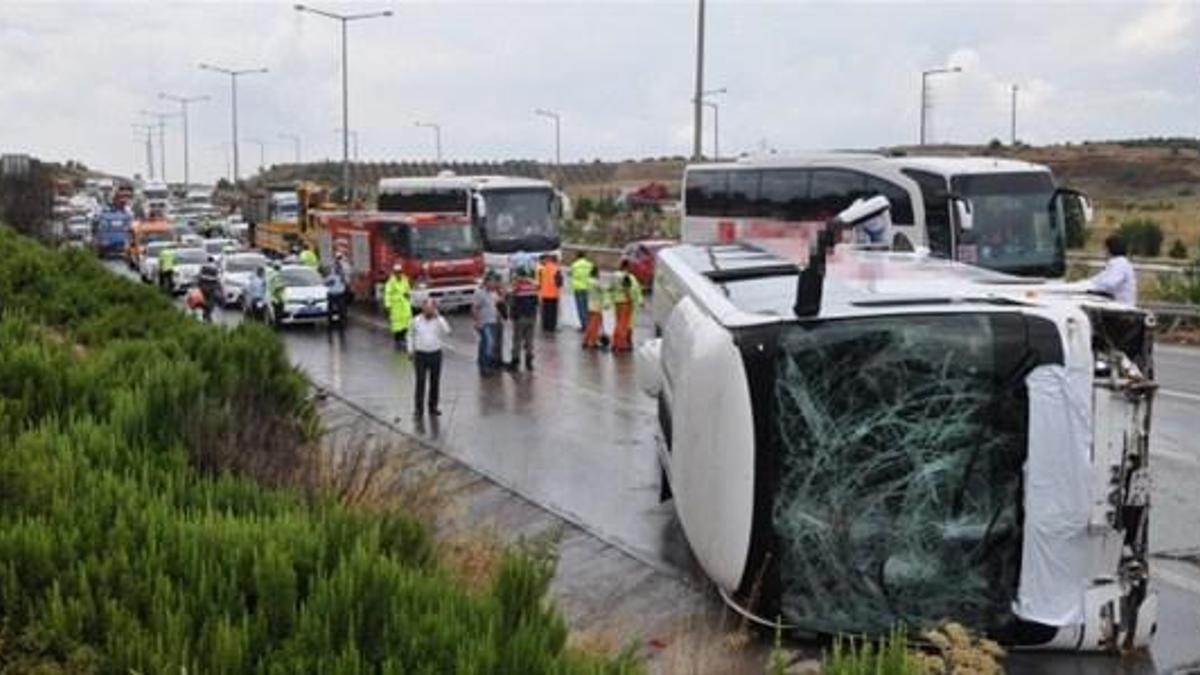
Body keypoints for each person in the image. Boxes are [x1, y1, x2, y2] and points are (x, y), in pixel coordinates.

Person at [409, 299, 450, 417]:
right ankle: (418, 409)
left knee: (434, 382)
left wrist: (439, 318)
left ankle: (433, 407)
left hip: (435, 354)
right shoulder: (415, 321)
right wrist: (410, 350)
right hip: (420, 354)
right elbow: (410, 335)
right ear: (423, 309)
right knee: (420, 382)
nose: (428, 311)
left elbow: (447, 331)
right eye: (426, 308)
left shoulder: (438, 320)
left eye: (431, 308)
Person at [507, 264, 539, 371]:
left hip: (520, 317)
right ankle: (529, 362)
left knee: (517, 340)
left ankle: (515, 362)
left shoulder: (518, 286)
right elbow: (536, 302)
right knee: (529, 340)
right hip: (532, 317)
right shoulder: (533, 286)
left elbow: (510, 300)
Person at [1089, 234, 1137, 305]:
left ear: (1109, 249)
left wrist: (1089, 288)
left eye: (1104, 248)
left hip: (1122, 309)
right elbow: (1095, 281)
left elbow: (1109, 284)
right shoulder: (1116, 264)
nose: (1103, 252)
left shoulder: (1120, 264)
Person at [611, 259, 644, 352]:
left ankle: (615, 343)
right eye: (630, 266)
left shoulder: (614, 276)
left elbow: (611, 289)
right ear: (626, 266)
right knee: (625, 324)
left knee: (618, 323)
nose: (631, 268)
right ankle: (622, 344)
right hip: (627, 302)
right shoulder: (629, 277)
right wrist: (637, 300)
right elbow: (634, 289)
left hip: (617, 302)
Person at [472, 272, 502, 374]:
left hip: (493, 321)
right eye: (491, 282)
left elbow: (495, 306)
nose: (494, 284)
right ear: (486, 282)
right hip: (485, 323)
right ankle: (485, 366)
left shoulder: (493, 293)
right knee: (489, 344)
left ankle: (484, 364)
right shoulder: (479, 293)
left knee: (485, 344)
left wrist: (498, 316)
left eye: (494, 282)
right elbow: (475, 308)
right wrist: (477, 322)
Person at [383, 263, 413, 350]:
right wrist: (388, 305)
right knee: (397, 325)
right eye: (397, 272)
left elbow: (408, 289)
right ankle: (398, 340)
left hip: (404, 305)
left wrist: (408, 295)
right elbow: (387, 294)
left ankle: (404, 339)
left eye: (400, 272)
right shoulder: (390, 282)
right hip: (396, 306)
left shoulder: (405, 279)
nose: (398, 274)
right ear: (394, 273)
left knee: (407, 323)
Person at [582, 265, 607, 349]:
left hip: (589, 305)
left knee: (590, 324)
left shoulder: (588, 281)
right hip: (596, 305)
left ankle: (585, 341)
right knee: (594, 326)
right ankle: (592, 343)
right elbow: (602, 290)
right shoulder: (596, 282)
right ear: (596, 273)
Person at [537, 254, 562, 332]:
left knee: (546, 311)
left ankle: (546, 326)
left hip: (544, 293)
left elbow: (539, 281)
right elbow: (559, 282)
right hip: (554, 294)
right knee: (553, 312)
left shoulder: (543, 269)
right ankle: (551, 327)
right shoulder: (557, 269)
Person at [569, 251, 594, 330]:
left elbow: (571, 273)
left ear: (577, 256)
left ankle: (584, 325)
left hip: (578, 288)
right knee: (586, 307)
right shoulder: (590, 265)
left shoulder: (574, 265)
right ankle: (589, 324)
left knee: (580, 308)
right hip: (588, 287)